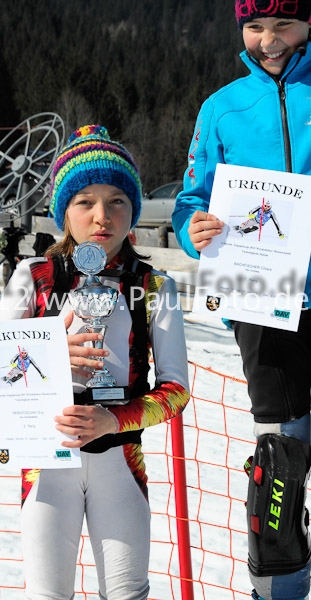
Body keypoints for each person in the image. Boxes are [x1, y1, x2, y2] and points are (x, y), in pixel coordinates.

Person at [0, 124, 190, 600]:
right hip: (46, 462)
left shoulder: (156, 287)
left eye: (118, 199)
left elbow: (176, 391)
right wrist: (47, 349)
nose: (102, 215)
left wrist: (112, 420)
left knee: (126, 594)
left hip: (119, 459)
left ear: (134, 210)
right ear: (64, 213)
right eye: (85, 201)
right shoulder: (35, 275)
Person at [172, 2, 311, 599]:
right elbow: (189, 199)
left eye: (283, 25)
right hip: (263, 306)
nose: (268, 40)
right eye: (255, 28)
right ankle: (280, 590)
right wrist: (192, 228)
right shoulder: (221, 108)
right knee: (279, 460)